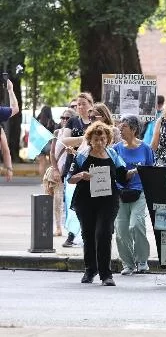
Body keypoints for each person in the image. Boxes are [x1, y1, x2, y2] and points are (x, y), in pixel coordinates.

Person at [66, 122, 131, 286]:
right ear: (90, 140)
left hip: (108, 200)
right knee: (88, 234)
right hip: (85, 200)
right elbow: (70, 178)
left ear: (107, 139)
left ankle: (106, 274)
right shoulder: (81, 155)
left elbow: (123, 176)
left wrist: (139, 171)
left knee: (103, 233)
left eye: (103, 139)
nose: (100, 142)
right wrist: (81, 175)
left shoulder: (113, 155)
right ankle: (90, 270)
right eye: (96, 139)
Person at [113, 116, 155, 275]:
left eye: (123, 127)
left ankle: (142, 260)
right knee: (121, 230)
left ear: (133, 129)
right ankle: (128, 264)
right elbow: (113, 170)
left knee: (136, 224)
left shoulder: (145, 148)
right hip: (120, 192)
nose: (120, 130)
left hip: (140, 191)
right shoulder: (116, 148)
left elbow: (151, 170)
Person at [54, 92, 95, 248]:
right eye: (78, 104)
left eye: (84, 104)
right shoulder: (72, 121)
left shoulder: (95, 121)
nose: (80, 107)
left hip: (92, 165)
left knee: (91, 202)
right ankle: (71, 234)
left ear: (90, 105)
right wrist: (84, 138)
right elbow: (64, 140)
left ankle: (88, 234)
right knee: (73, 201)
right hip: (74, 165)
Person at [35, 105, 57, 176]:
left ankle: (43, 181)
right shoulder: (51, 122)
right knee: (52, 163)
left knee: (42, 163)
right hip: (49, 144)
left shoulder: (37, 121)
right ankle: (51, 180)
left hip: (39, 144)